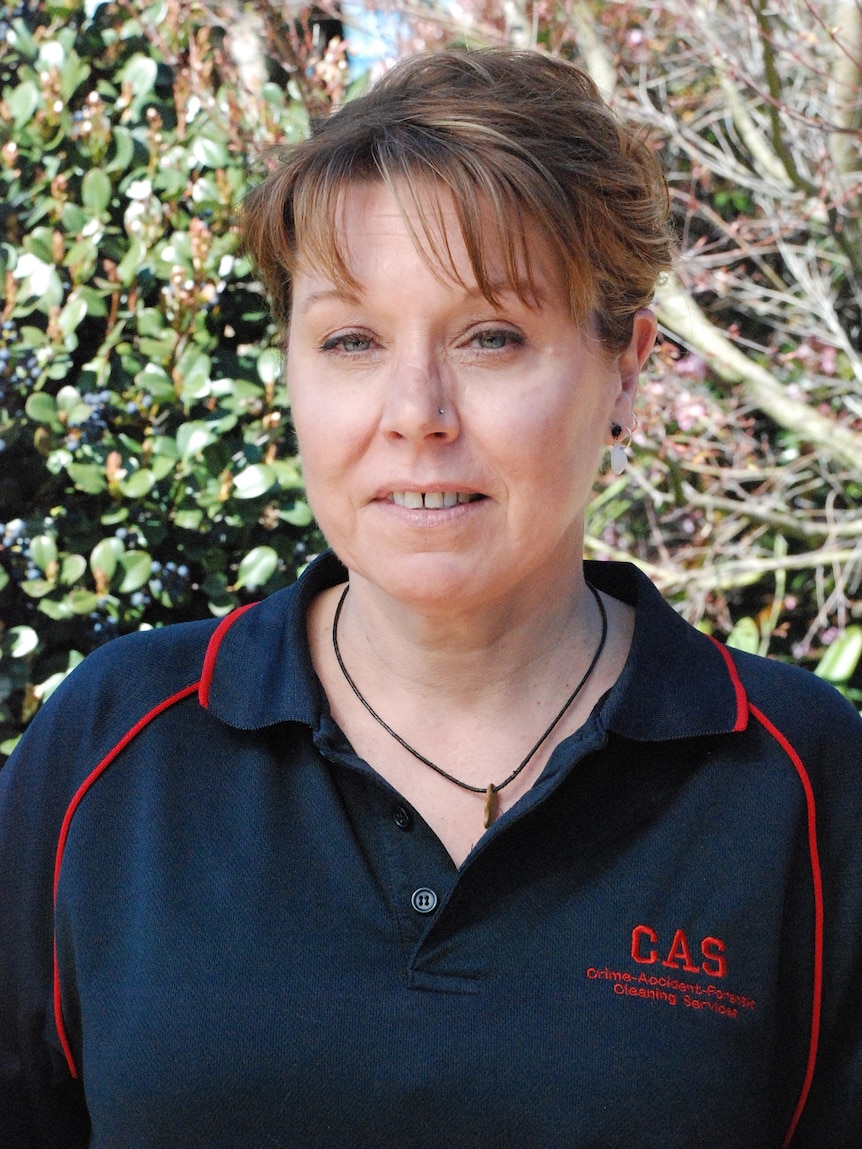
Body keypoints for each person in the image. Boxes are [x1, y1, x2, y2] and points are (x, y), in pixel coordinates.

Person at [1, 47, 861, 1149]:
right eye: (351, 341)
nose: (417, 411)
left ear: (627, 369)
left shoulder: (795, 780)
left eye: (490, 337)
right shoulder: (113, 749)